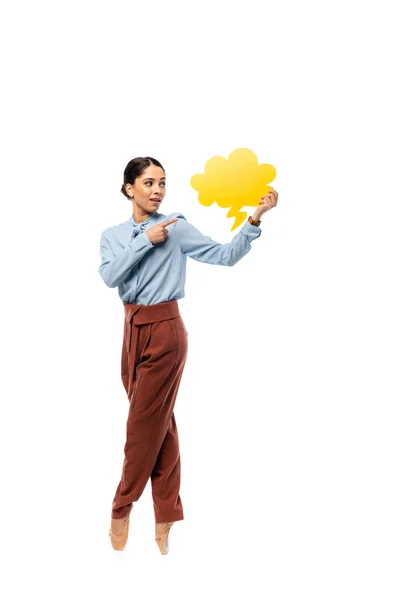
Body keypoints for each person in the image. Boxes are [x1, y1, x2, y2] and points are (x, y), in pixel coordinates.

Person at [98, 156, 278, 554]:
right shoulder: (112, 235)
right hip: (130, 332)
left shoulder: (176, 227)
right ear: (129, 188)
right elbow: (111, 277)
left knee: (139, 429)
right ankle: (166, 513)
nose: (158, 190)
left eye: (162, 182)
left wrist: (256, 218)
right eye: (148, 183)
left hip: (165, 333)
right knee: (159, 426)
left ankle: (121, 506)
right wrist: (146, 240)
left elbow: (224, 255)